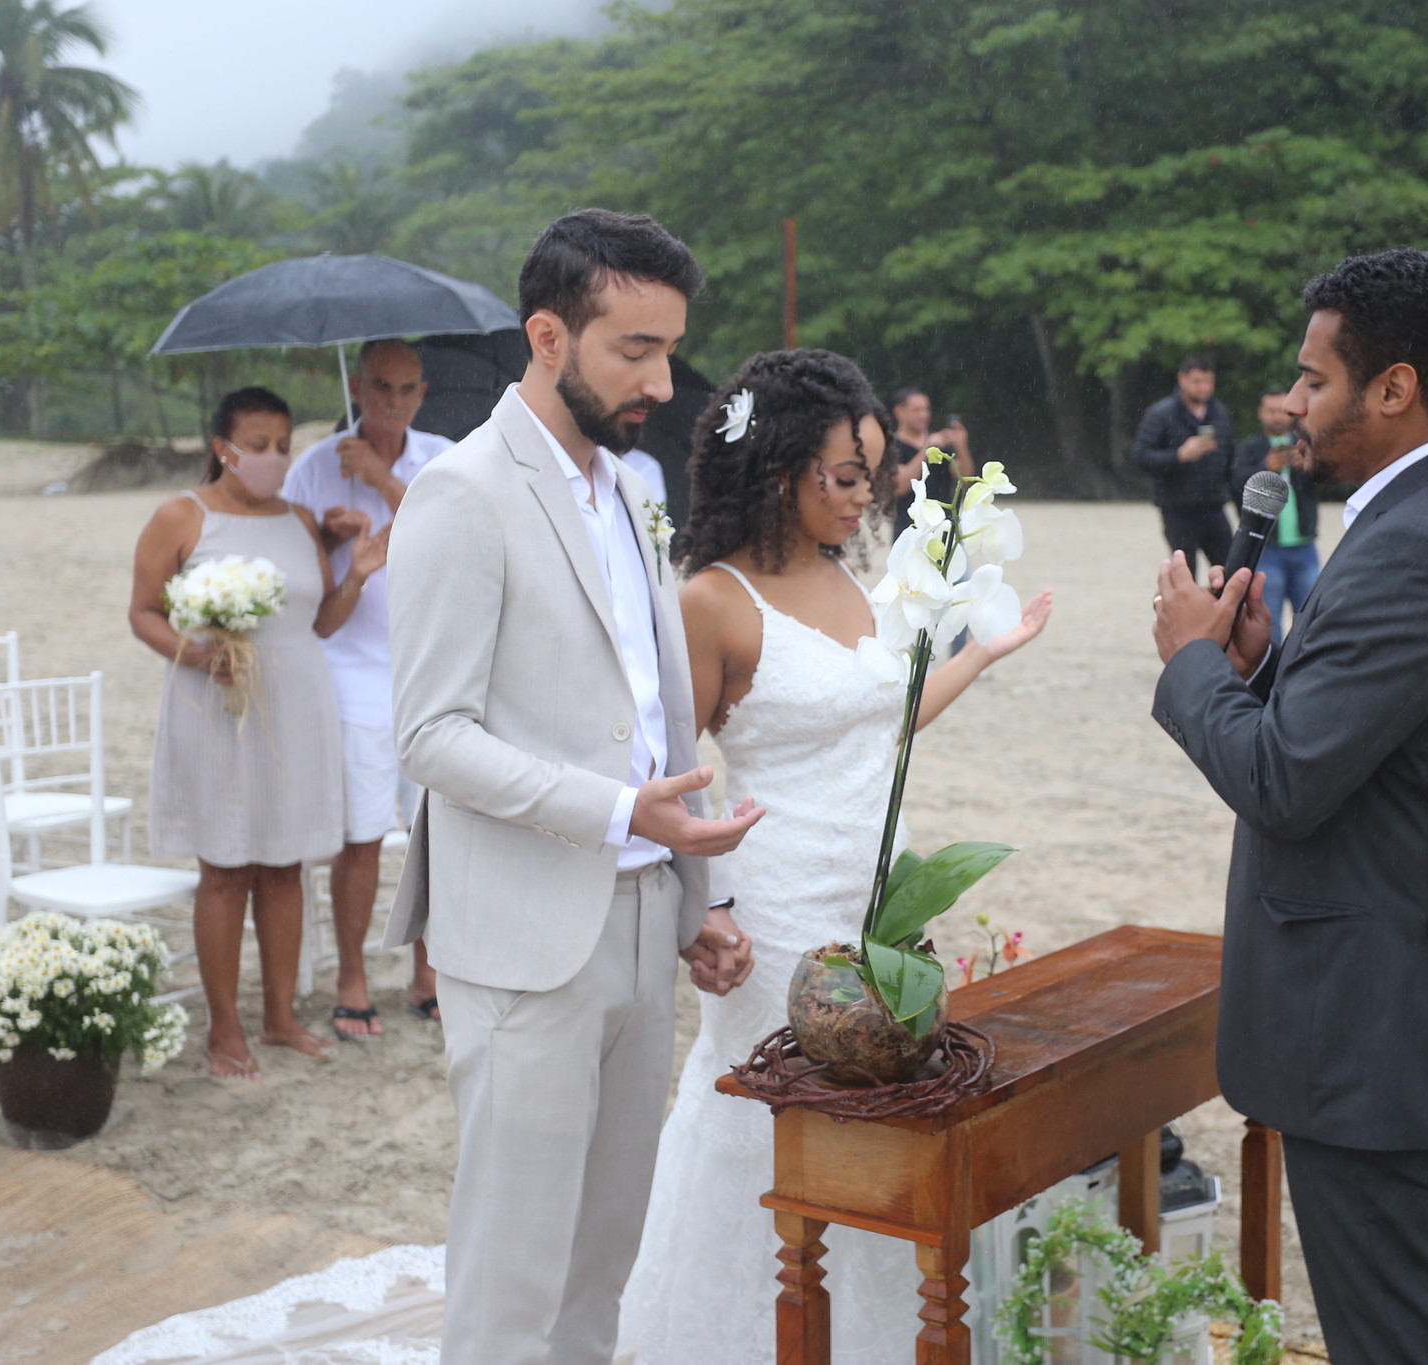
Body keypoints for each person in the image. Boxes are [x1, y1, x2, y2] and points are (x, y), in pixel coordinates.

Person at [616, 348, 1051, 1364]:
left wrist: (982, 651)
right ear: (777, 471)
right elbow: (670, 777)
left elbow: (884, 728)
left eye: (870, 473)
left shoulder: (848, 578)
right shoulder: (710, 603)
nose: (870, 496)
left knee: (876, 1135)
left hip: (881, 914)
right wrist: (705, 911)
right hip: (771, 920)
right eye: (848, 476)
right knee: (770, 1133)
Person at [384, 208, 765, 1365]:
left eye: (668, 348)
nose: (659, 377)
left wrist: (701, 899)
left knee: (605, 1256)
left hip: (646, 923)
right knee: (514, 1274)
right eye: (631, 349)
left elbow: (658, 719)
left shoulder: (629, 491)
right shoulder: (462, 493)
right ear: (547, 336)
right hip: (523, 937)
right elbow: (429, 735)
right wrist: (612, 815)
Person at [1150, 249, 1428, 1364]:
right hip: (1410, 1018)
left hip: (1381, 1036)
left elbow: (1284, 782)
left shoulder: (1415, 541)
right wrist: (1265, 668)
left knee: (1412, 1343)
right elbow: (1371, 744)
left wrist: (1189, 667)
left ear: (1393, 387)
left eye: (1312, 381)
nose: (1291, 405)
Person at [129, 386, 390, 1079]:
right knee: (224, 867)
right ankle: (224, 1029)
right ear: (224, 448)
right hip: (214, 704)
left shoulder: (301, 520)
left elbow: (321, 622)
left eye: (283, 444)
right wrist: (197, 651)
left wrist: (358, 575)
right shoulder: (180, 516)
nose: (275, 457)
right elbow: (144, 612)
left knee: (284, 863)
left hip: (297, 702)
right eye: (260, 445)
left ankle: (279, 1017)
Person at [280, 338, 454, 1037]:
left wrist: (384, 481)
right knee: (359, 836)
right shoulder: (314, 468)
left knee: (434, 830)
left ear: (422, 393)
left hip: (429, 667)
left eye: (407, 388)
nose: (392, 400)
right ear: (356, 386)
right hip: (349, 670)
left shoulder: (442, 457)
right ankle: (353, 974)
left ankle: (428, 968)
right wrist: (326, 536)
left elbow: (455, 537)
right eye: (380, 385)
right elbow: (289, 565)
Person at [1130, 354, 1237, 576]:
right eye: (1197, 381)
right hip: (1178, 509)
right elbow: (1140, 457)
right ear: (1182, 379)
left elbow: (1230, 461)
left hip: (1215, 506)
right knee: (1185, 576)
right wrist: (1178, 456)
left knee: (1232, 572)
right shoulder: (1161, 414)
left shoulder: (1220, 413)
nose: (1203, 388)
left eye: (1208, 382)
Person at [1232, 385, 1320, 642]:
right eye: (1271, 411)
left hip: (1304, 546)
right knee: (1267, 624)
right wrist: (1264, 468)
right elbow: (1235, 485)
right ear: (1261, 413)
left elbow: (1330, 482)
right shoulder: (1250, 447)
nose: (1277, 417)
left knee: (1312, 621)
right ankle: (1271, 677)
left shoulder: (1306, 444)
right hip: (1266, 548)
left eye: (1281, 411)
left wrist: (1308, 466)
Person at [888, 384, 975, 538]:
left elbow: (964, 478)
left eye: (926, 409)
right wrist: (926, 450)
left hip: (946, 529)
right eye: (917, 410)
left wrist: (961, 446)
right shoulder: (891, 446)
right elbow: (900, 485)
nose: (924, 415)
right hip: (909, 532)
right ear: (899, 412)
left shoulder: (941, 443)